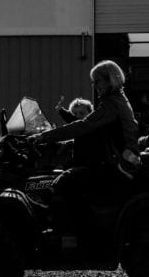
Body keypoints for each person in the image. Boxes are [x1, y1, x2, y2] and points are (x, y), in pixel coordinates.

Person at [34, 61, 141, 231]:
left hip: (118, 165)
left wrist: (43, 137)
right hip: (119, 161)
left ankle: (69, 228)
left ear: (110, 80)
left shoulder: (111, 104)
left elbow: (83, 126)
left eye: (97, 81)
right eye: (93, 82)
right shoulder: (118, 99)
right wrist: (63, 143)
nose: (94, 86)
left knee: (68, 179)